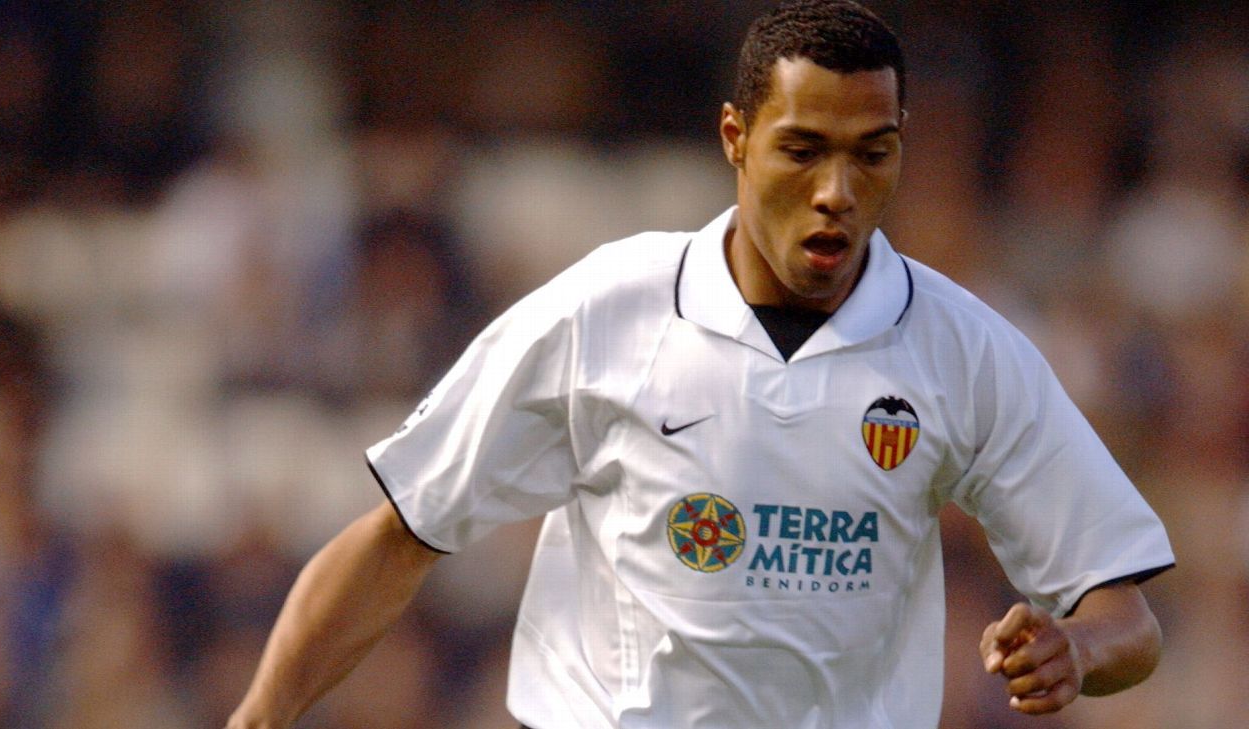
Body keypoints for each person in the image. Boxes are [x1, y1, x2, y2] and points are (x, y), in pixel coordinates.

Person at [228, 2, 1174, 727]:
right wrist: (256, 719)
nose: (837, 192)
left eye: (871, 154)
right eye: (802, 150)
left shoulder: (963, 349)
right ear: (735, 138)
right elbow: (402, 532)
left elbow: (1126, 615)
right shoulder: (607, 310)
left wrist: (1077, 649)